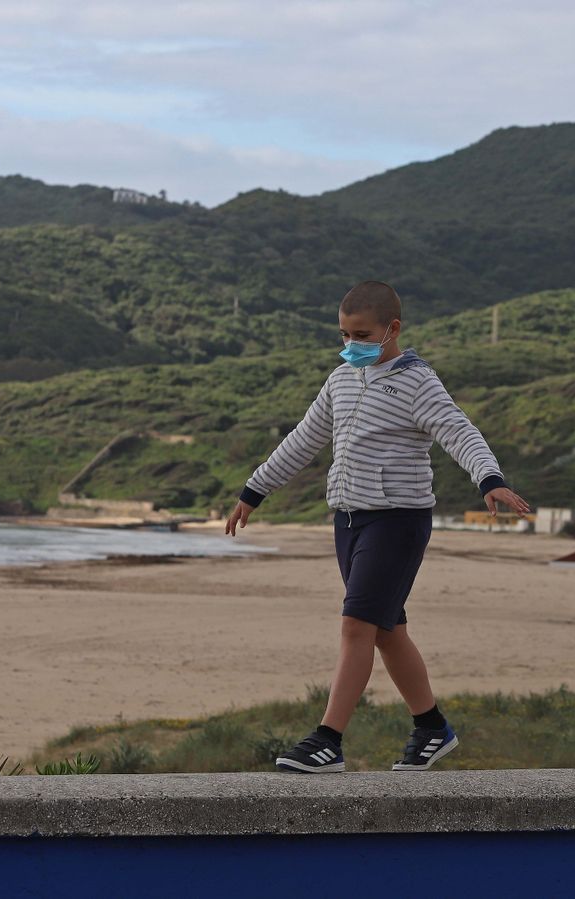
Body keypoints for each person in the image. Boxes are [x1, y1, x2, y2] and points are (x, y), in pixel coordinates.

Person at [225, 280, 530, 773]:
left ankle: (328, 740)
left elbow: (458, 430)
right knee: (386, 631)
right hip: (348, 521)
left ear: (392, 329)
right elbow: (303, 440)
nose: (351, 346)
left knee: (356, 626)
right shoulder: (340, 380)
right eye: (344, 335)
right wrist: (252, 492)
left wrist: (489, 478)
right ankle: (432, 728)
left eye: (361, 334)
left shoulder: (417, 381)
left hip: (398, 521)